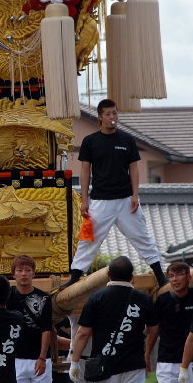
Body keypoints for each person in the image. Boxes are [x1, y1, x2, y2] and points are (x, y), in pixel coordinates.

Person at [66, 99, 168, 288]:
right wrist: (84, 200)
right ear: (100, 117)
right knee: (88, 241)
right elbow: (85, 171)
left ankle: (160, 275)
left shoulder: (127, 139)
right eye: (108, 114)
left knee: (142, 236)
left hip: (125, 200)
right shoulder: (90, 141)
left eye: (114, 113)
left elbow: (134, 169)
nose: (113, 117)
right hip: (100, 201)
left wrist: (136, 195)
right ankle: (74, 276)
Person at [6, 255, 53, 383]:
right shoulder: (7, 297)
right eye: (19, 270)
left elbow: (46, 329)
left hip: (39, 359)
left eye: (27, 270)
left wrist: (42, 357)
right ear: (13, 274)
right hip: (15, 358)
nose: (24, 274)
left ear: (34, 273)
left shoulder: (44, 299)